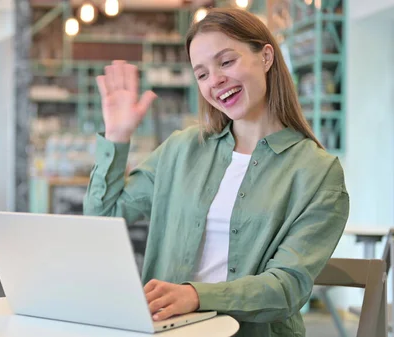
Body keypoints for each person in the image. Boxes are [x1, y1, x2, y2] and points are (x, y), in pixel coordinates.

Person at [83, 8, 349, 337]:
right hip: (164, 329)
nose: (215, 81)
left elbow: (286, 288)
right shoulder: (181, 150)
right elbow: (103, 214)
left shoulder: (318, 173)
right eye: (202, 74)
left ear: (266, 57)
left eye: (226, 62)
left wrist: (196, 296)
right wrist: (117, 136)